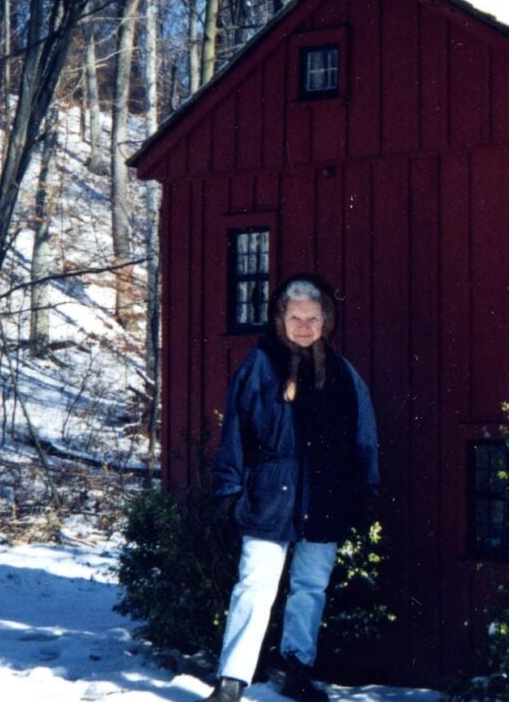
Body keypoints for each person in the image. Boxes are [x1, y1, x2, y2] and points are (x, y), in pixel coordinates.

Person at [203, 275, 380, 702]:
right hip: (268, 497)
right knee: (254, 586)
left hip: (325, 499)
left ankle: (297, 668)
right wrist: (229, 490)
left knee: (310, 587)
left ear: (326, 320)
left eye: (312, 318)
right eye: (295, 317)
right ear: (280, 318)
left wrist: (365, 495)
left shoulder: (343, 374)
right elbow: (234, 433)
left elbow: (364, 439)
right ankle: (231, 681)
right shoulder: (258, 365)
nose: (303, 326)